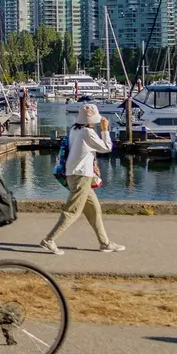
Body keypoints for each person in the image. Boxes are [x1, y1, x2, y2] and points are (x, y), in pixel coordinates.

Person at [41, 103, 124, 255]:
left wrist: (93, 164)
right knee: (72, 211)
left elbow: (83, 151)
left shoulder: (74, 130)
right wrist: (105, 130)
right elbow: (107, 147)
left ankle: (105, 243)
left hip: (74, 174)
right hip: (81, 176)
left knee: (94, 210)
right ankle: (49, 240)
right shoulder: (87, 132)